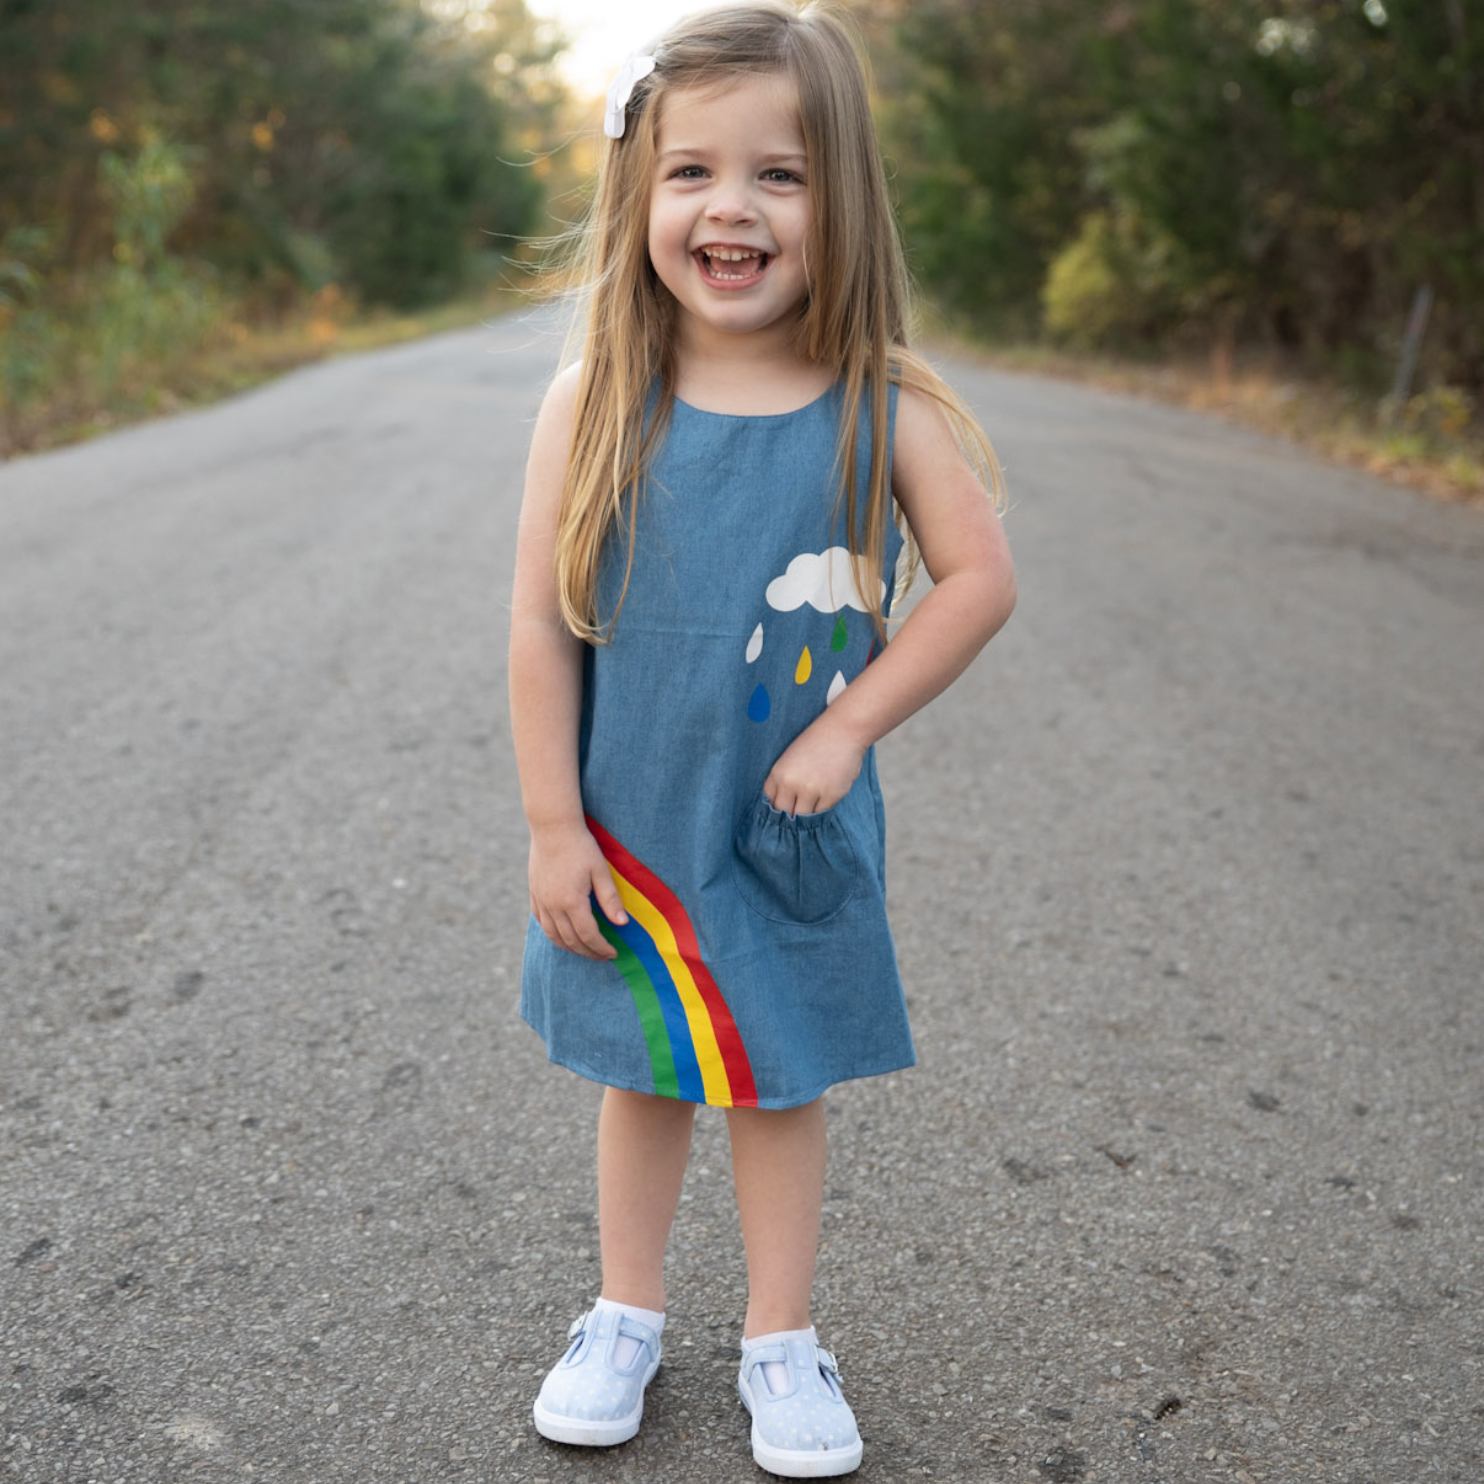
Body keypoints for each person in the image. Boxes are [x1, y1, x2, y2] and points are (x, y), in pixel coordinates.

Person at [507, 3, 1016, 1476]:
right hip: (632, 821)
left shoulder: (880, 406)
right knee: (649, 1066)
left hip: (787, 821)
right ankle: (626, 1313)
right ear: (639, 195)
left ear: (839, 198)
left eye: (779, 175)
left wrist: (853, 722)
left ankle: (782, 1341)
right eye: (692, 173)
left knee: (779, 1075)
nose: (731, 205)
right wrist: (552, 824)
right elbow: (542, 626)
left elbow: (981, 580)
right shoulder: (591, 402)